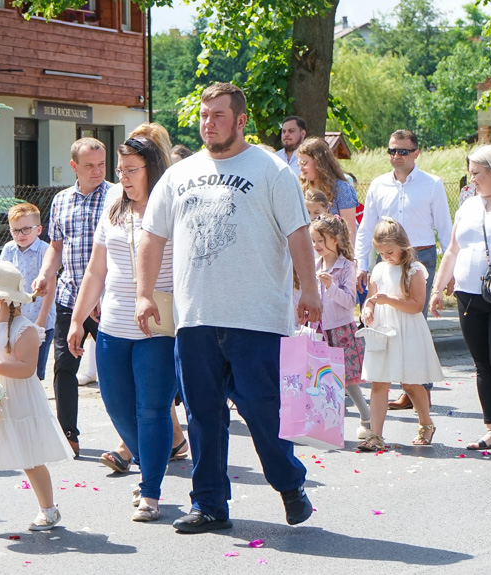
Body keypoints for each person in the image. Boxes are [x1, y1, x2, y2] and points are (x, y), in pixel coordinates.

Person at [135, 82, 321, 533]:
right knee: (203, 416)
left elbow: (298, 234)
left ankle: (289, 484)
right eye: (204, 115)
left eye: (219, 115)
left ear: (240, 121)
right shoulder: (179, 175)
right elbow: (152, 236)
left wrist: (309, 291)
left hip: (256, 316)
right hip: (196, 316)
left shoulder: (271, 169)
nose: (208, 123)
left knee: (263, 413)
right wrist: (144, 293)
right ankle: (210, 504)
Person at [66, 137, 176, 522]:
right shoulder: (113, 206)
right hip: (111, 323)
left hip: (158, 326)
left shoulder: (170, 206)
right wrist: (78, 320)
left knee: (152, 410)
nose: (123, 178)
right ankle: (151, 466)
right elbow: (97, 270)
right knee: (115, 405)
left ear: (152, 169)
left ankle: (151, 490)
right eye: (121, 171)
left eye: (132, 170)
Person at [429, 145, 491, 449]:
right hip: (468, 292)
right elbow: (452, 249)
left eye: (477, 173)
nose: (471, 179)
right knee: (483, 363)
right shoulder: (469, 206)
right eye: (470, 173)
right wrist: (438, 287)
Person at [0, 261, 73, 536]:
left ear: (0, 298)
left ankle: (49, 509)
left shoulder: (24, 330)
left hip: (20, 403)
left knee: (31, 458)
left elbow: (27, 369)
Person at [354, 129, 452, 411]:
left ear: (416, 153)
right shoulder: (378, 184)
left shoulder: (432, 184)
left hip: (420, 257)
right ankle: (393, 382)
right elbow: (366, 228)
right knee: (384, 320)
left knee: (414, 323)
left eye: (403, 151)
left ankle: (418, 388)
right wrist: (362, 264)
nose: (396, 156)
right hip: (384, 259)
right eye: (392, 151)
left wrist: (449, 271)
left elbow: (445, 228)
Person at [32, 137, 109, 457]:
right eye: (89, 165)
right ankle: (68, 437)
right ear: (74, 167)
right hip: (69, 296)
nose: (97, 171)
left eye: (102, 164)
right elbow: (56, 247)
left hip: (108, 300)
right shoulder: (61, 200)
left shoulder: (117, 196)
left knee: (116, 374)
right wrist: (44, 274)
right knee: (64, 365)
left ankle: (136, 440)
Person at [358, 218, 443, 451]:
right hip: (383, 330)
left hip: (407, 329)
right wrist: (369, 308)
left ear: (403, 246)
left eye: (390, 252)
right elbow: (372, 298)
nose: (386, 256)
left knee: (411, 382)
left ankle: (426, 424)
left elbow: (416, 305)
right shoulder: (379, 269)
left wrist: (389, 301)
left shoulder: (414, 270)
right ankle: (375, 434)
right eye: (381, 252)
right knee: (379, 381)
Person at [309, 214, 372, 440]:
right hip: (318, 329)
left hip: (340, 329)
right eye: (313, 240)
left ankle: (366, 417)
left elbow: (348, 301)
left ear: (335, 239)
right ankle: (326, 421)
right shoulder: (314, 265)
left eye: (320, 240)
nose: (316, 245)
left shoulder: (346, 266)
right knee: (320, 376)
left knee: (346, 378)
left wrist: (331, 286)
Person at [0, 202, 55, 381]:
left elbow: (51, 285)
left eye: (25, 229)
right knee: (16, 366)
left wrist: (43, 317)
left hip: (39, 318)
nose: (20, 235)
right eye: (15, 230)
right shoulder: (9, 249)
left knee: (34, 371)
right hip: (15, 320)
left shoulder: (45, 251)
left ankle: (35, 406)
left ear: (38, 229)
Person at [297, 137, 360, 245]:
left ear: (319, 162)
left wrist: (346, 260)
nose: (301, 168)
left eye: (304, 163)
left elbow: (349, 232)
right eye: (299, 164)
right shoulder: (301, 188)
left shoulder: (341, 189)